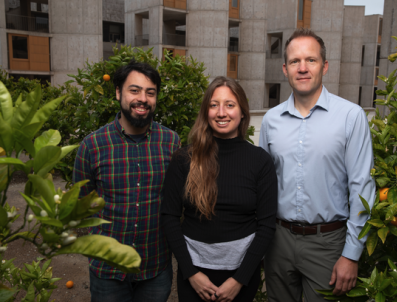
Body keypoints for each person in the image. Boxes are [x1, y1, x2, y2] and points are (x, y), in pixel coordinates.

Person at [260, 28, 376, 301]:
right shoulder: (271, 120)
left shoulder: (351, 116)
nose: (302, 68)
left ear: (324, 67)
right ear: (284, 69)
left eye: (310, 60)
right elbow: (262, 185)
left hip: (329, 243)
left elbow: (362, 186)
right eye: (294, 61)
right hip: (278, 241)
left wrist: (351, 253)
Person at [161, 76, 277, 302]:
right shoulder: (184, 159)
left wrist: (239, 280)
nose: (221, 112)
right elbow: (169, 217)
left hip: (242, 275)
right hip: (194, 274)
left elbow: (266, 225)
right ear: (206, 112)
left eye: (230, 105)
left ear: (242, 112)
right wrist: (191, 273)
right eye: (214, 105)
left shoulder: (260, 161)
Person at [73, 60, 180, 302]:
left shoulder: (171, 143)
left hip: (155, 267)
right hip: (108, 271)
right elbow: (81, 206)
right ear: (118, 92)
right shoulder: (92, 146)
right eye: (135, 90)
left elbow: (176, 201)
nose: (143, 98)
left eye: (150, 92)